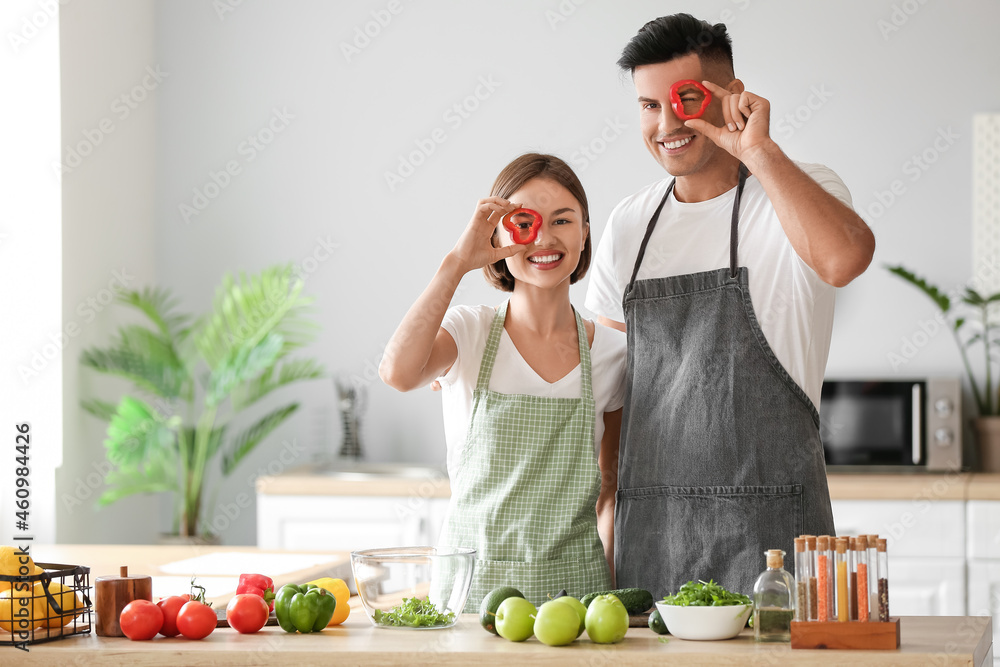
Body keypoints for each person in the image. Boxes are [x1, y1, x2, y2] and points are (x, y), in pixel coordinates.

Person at [584, 14, 876, 599]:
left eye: (684, 100)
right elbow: (610, 387)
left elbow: (845, 259)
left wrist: (758, 150)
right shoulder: (629, 225)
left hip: (772, 541)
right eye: (647, 105)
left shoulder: (797, 190)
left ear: (731, 96)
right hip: (650, 537)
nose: (666, 124)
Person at [379, 153, 627, 609]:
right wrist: (458, 261)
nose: (546, 240)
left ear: (585, 232)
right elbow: (397, 373)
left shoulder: (612, 353)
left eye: (563, 220)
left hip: (577, 599)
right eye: (525, 222)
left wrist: (611, 602)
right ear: (497, 235)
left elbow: (609, 492)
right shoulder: (467, 333)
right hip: (471, 596)